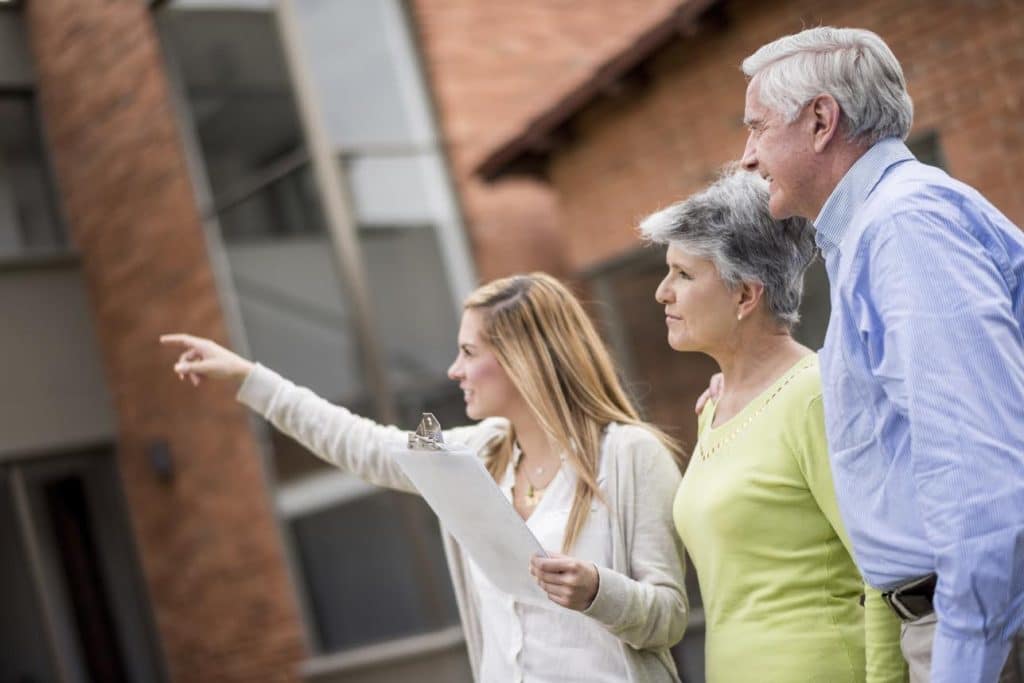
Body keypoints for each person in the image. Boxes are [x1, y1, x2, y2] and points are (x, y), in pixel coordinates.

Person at [161, 272, 688, 683]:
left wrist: (599, 591)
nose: (453, 371)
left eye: (468, 352)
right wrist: (251, 380)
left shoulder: (629, 456)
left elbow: (668, 618)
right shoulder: (472, 454)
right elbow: (363, 442)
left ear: (523, 359)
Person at [695, 26, 1024, 683]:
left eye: (756, 128)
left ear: (821, 120)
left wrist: (958, 665)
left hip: (977, 636)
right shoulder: (881, 230)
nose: (746, 158)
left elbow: (981, 474)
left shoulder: (905, 225)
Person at [640, 168, 905, 682]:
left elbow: (883, 572)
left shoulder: (813, 395)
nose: (662, 293)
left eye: (684, 275)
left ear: (746, 296)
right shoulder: (714, 409)